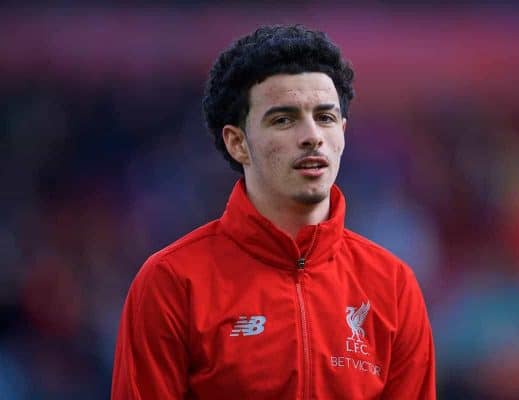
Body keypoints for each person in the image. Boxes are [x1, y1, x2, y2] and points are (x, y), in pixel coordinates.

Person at [111, 24, 436, 399]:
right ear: (237, 143)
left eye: (325, 117)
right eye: (283, 119)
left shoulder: (393, 286)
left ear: (343, 133)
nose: (312, 135)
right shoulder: (171, 283)